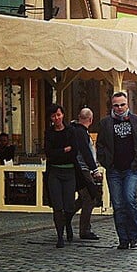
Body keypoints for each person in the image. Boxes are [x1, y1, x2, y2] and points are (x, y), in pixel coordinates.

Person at [96, 91, 137, 249]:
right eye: (116, 105)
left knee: (129, 199)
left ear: (127, 104)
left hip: (131, 169)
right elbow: (100, 145)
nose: (119, 108)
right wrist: (106, 162)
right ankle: (123, 239)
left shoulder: (136, 120)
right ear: (112, 106)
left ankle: (133, 236)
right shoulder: (105, 123)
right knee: (118, 204)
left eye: (122, 105)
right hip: (114, 170)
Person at [44, 103, 78, 248]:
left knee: (69, 205)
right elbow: (49, 153)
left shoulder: (71, 131)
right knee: (57, 206)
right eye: (53, 116)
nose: (57, 118)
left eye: (58, 114)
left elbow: (75, 151)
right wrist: (64, 150)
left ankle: (68, 223)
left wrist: (61, 152)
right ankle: (60, 236)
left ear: (63, 115)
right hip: (55, 172)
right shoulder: (49, 133)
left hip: (69, 171)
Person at [70, 108, 102, 240]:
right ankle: (84, 230)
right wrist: (94, 169)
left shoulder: (75, 130)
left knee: (83, 198)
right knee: (90, 197)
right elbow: (85, 152)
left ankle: (65, 217)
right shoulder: (81, 132)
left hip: (79, 168)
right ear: (91, 119)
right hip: (82, 169)